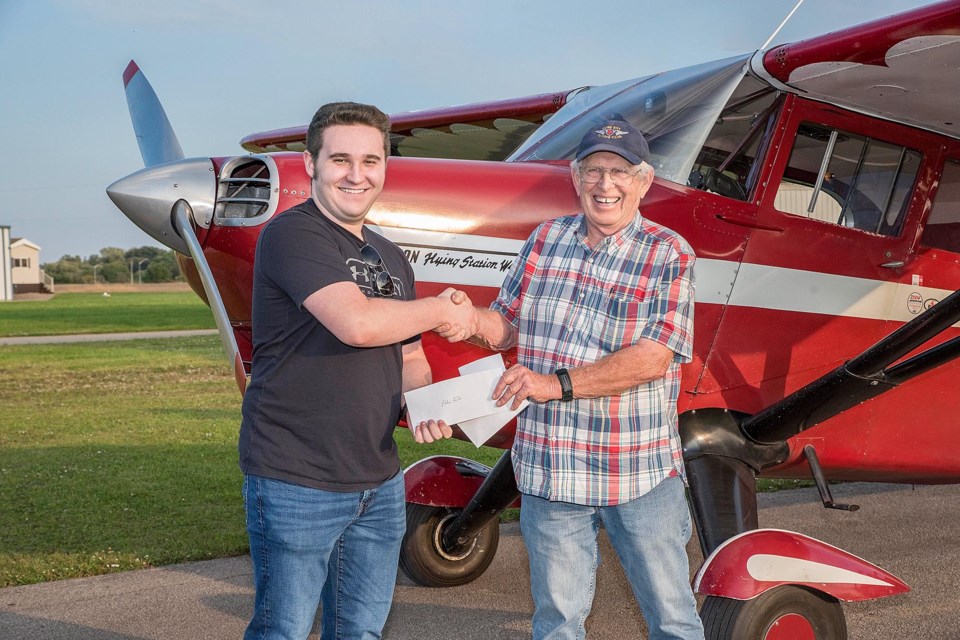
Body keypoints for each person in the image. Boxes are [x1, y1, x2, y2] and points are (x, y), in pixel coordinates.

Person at [437, 120, 704, 639]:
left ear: (643, 181)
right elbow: (506, 322)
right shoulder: (545, 240)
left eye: (620, 172)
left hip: (636, 471)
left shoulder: (668, 253)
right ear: (576, 179)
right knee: (557, 621)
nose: (606, 185)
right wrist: (469, 321)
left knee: (673, 621)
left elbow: (654, 356)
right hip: (551, 467)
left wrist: (552, 384)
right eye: (594, 171)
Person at [238, 101, 473, 640]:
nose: (357, 174)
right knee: (283, 630)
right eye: (341, 159)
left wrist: (424, 402)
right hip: (297, 476)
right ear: (310, 164)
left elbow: (410, 355)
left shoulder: (392, 257)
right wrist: (442, 309)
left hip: (379, 480)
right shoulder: (293, 235)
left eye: (372, 160)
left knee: (361, 631)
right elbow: (358, 324)